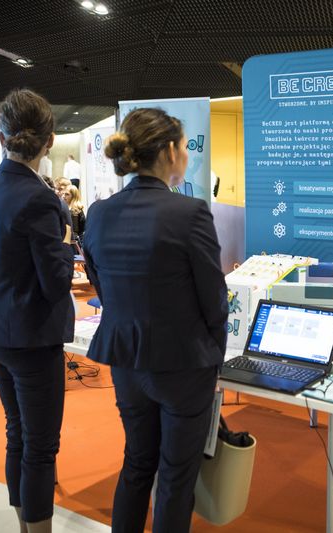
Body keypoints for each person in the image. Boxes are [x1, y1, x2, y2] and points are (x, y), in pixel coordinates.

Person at [83, 108, 228, 533]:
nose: (187, 155)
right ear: (168, 151)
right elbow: (214, 299)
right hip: (184, 364)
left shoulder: (100, 212)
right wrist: (214, 358)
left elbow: (100, 284)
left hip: (127, 362)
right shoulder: (190, 212)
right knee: (176, 478)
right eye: (184, 147)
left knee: (137, 463)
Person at [0, 89, 74, 533]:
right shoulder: (41, 199)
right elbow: (56, 283)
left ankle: (24, 527)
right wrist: (65, 245)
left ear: (0, 136)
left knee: (17, 433)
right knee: (40, 447)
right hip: (31, 336)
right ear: (50, 141)